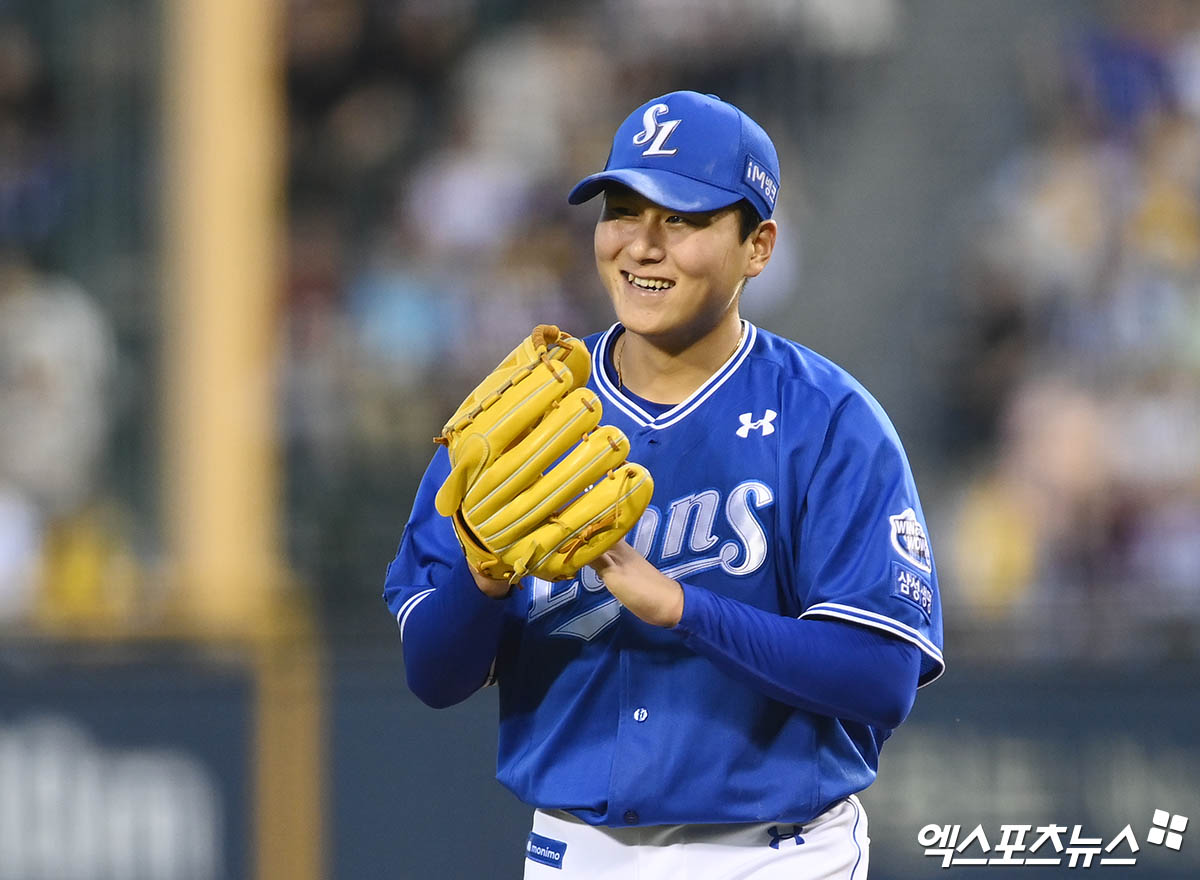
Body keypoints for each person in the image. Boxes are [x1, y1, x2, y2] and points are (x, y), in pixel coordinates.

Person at [384, 90, 944, 879]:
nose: (642, 246)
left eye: (681, 219)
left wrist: (683, 608)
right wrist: (479, 577)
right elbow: (434, 677)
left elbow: (882, 679)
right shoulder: (518, 417)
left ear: (758, 246)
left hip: (776, 855)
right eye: (622, 210)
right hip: (572, 852)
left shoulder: (830, 422)